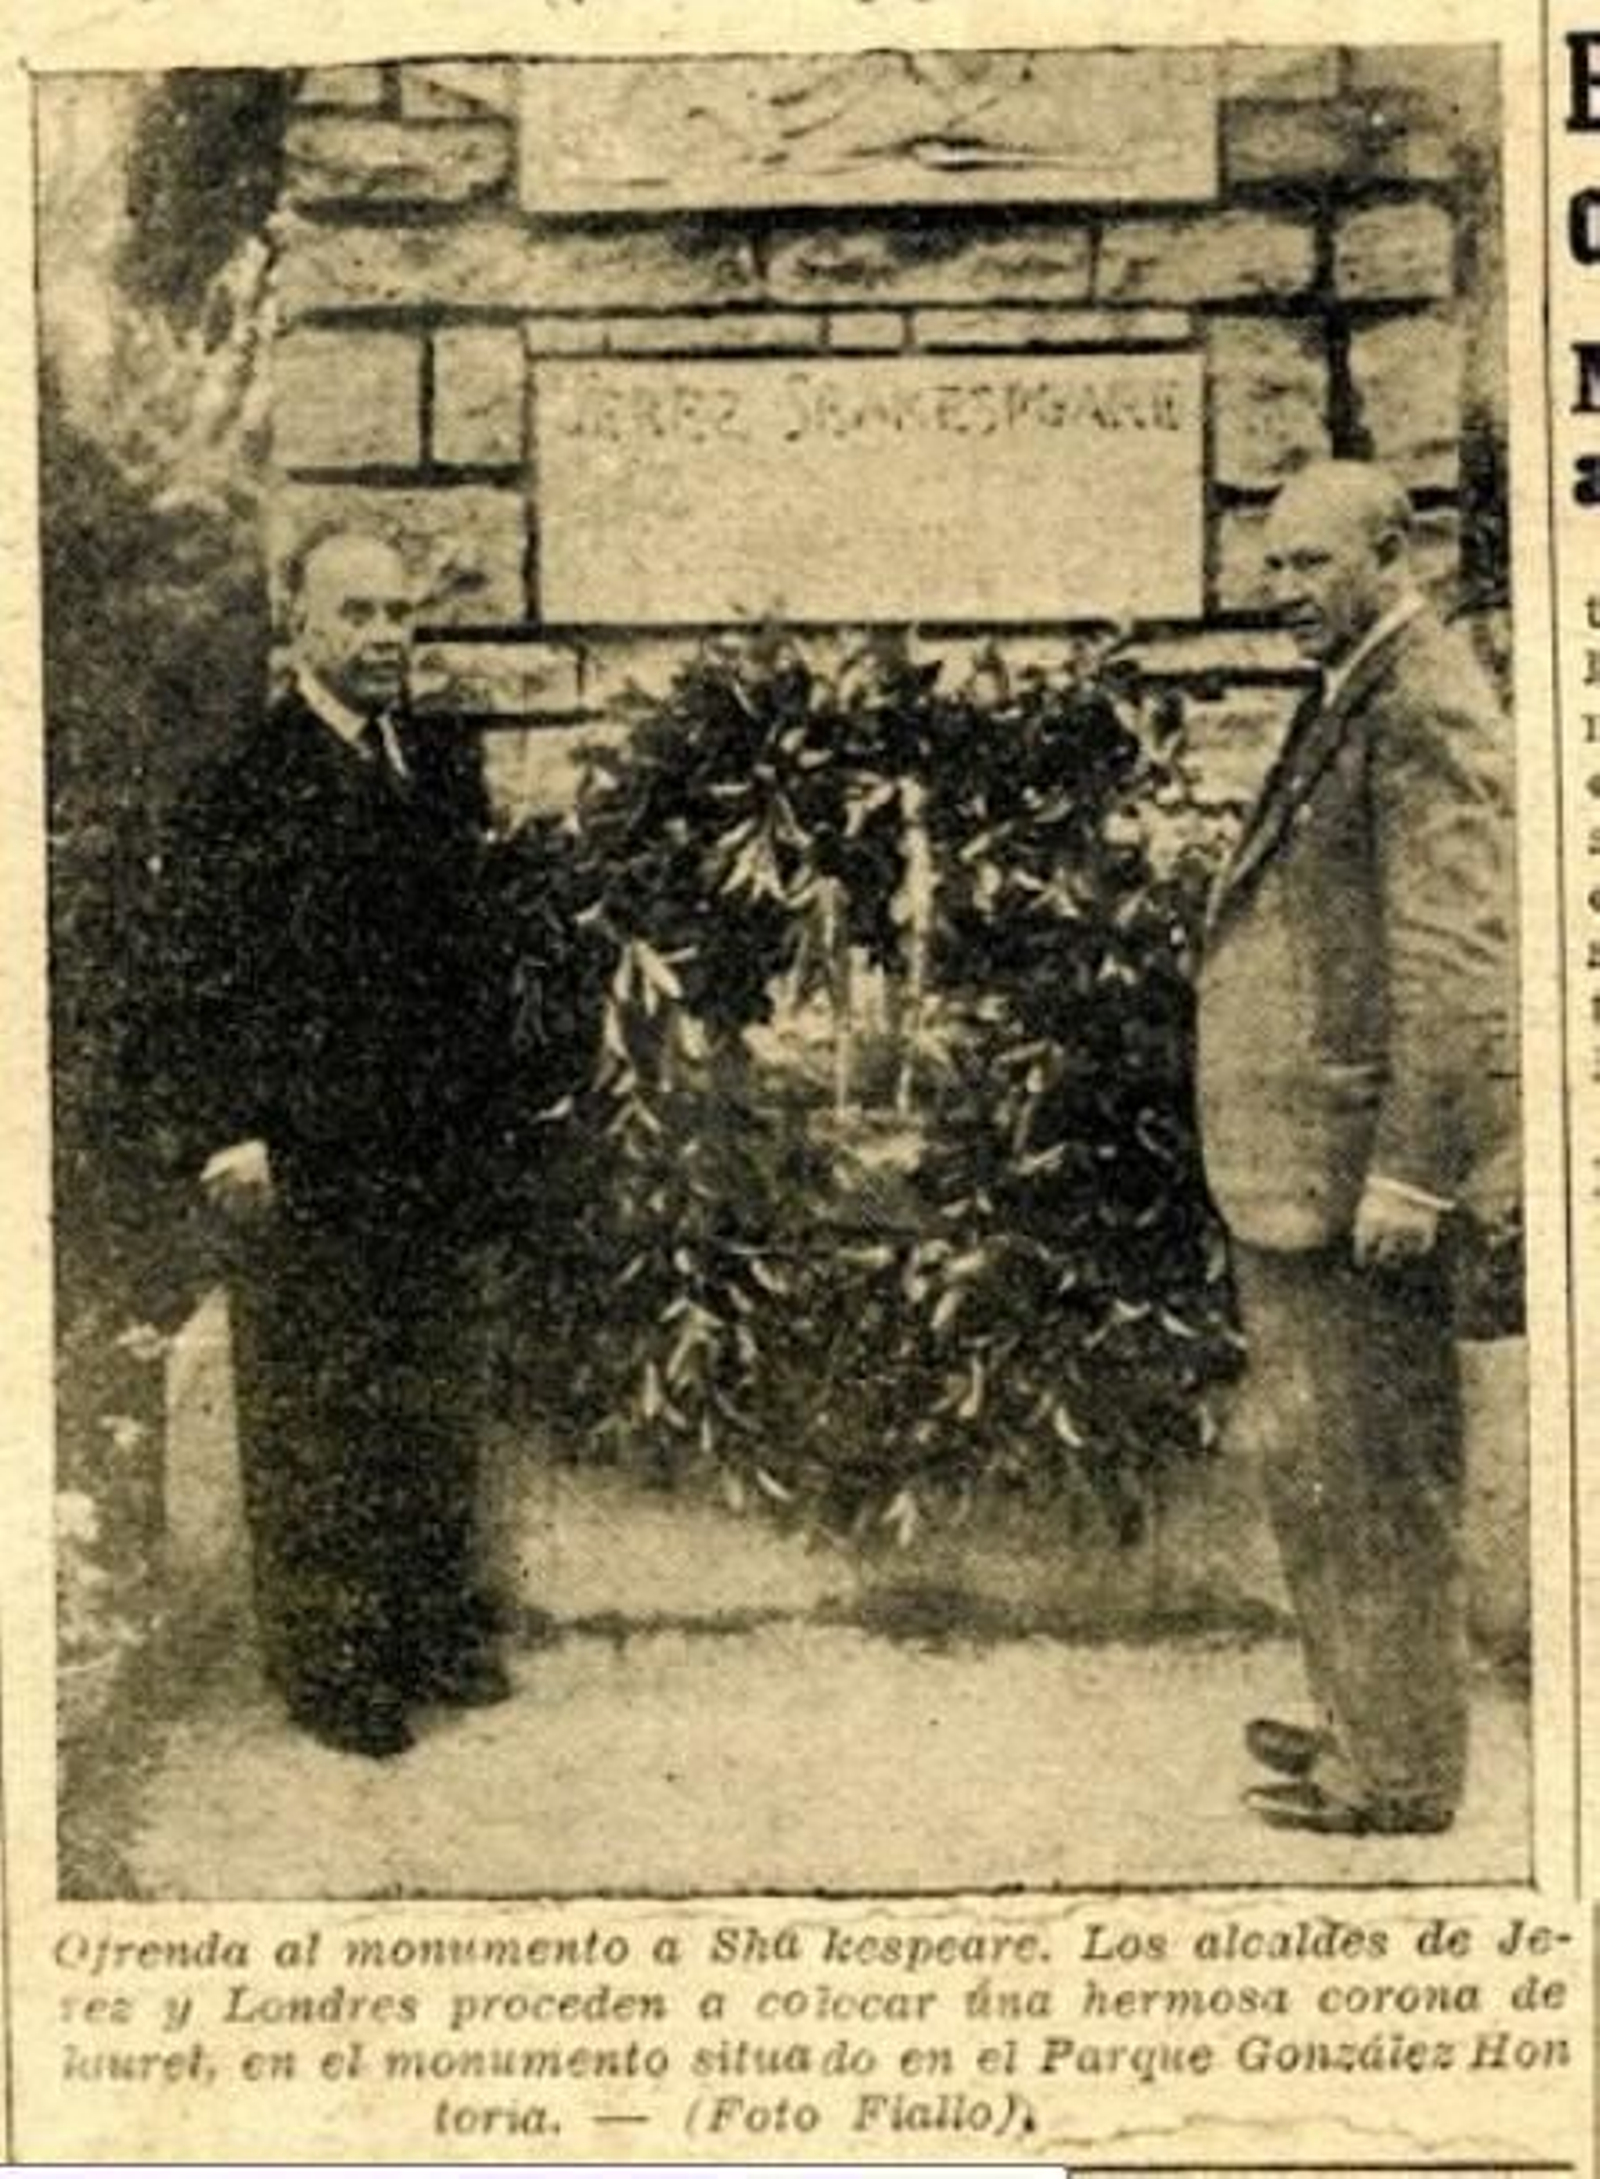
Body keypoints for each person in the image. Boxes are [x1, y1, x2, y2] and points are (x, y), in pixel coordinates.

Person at [1196, 460, 1516, 1836]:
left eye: (1313, 565)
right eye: (1275, 568)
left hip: (1353, 1166)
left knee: (1375, 1466)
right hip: (1303, 1161)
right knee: (1325, 1459)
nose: (1285, 595)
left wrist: (1412, 1168)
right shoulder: (1360, 684)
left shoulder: (1427, 694)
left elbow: (1456, 956)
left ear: (1395, 552)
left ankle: (1397, 1767)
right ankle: (1363, 1719)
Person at [160, 527, 514, 1758]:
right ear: (297, 621)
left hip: (417, 1149)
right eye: (355, 612)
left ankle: (417, 1635)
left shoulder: (431, 761)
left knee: (416, 1399)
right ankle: (330, 1670)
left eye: (397, 613)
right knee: (316, 1413)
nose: (382, 636)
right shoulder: (244, 783)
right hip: (301, 1156)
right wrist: (234, 1132)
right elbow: (199, 979)